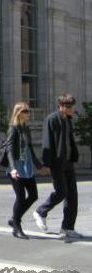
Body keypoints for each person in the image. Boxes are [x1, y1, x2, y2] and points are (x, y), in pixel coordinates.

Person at [33, 94, 83, 240]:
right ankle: (41, 211)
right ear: (60, 105)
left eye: (71, 106)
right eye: (68, 106)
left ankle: (67, 228)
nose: (70, 109)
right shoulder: (52, 119)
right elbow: (47, 143)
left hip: (68, 162)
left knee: (72, 196)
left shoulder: (67, 120)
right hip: (56, 162)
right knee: (61, 192)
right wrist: (46, 164)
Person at [5, 102, 50, 239]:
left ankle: (14, 218)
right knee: (20, 197)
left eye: (28, 111)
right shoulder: (13, 128)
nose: (28, 113)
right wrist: (13, 169)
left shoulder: (26, 128)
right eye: (25, 111)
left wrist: (39, 166)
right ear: (18, 113)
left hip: (27, 167)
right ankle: (16, 227)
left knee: (33, 195)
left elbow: (30, 149)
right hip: (17, 168)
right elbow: (9, 150)